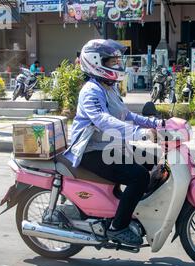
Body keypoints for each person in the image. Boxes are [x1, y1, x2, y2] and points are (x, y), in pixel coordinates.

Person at [63, 39, 162, 246]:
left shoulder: (109, 87)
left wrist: (156, 123)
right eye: (112, 62)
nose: (117, 66)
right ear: (95, 62)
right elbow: (102, 120)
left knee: (154, 159)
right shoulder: (91, 90)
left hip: (110, 145)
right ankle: (119, 227)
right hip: (91, 151)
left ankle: (136, 209)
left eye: (117, 61)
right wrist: (139, 134)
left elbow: (125, 115)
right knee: (139, 176)